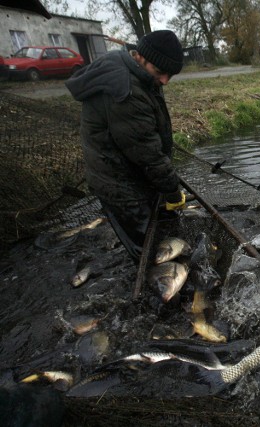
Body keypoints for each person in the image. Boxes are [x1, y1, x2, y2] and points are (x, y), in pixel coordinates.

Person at [65, 30, 186, 262]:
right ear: (140, 57)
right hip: (120, 185)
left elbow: (144, 139)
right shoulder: (126, 90)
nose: (165, 81)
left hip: (129, 170)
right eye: (161, 73)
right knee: (148, 250)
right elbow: (147, 154)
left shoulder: (135, 70)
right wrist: (172, 191)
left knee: (160, 233)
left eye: (169, 75)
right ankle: (155, 286)